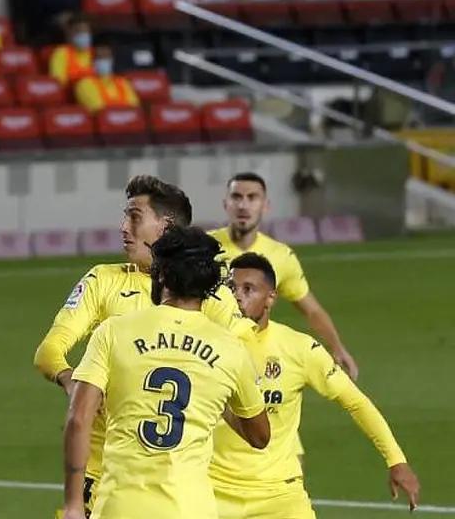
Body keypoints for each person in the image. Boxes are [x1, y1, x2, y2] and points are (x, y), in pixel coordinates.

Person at [33, 175, 255, 517]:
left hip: (173, 476)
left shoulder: (205, 293)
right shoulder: (103, 280)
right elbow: (49, 350)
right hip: (100, 471)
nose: (123, 227)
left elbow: (243, 355)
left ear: (165, 227)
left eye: (134, 217)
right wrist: (70, 380)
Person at [62, 226, 271, 519]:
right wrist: (217, 400)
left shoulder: (113, 332)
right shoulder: (230, 349)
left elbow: (79, 418)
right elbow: (260, 436)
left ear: (160, 274)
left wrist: (73, 505)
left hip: (119, 507)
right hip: (189, 510)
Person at [210, 253, 421, 518]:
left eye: (248, 289)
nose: (237, 296)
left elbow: (355, 402)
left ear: (271, 298)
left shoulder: (299, 349)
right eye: (231, 288)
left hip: (279, 496)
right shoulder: (206, 343)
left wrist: (396, 460)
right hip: (213, 493)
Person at [209, 172, 358, 379]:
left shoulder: (281, 256)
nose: (243, 205)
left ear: (265, 206)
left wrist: (337, 347)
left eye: (252, 198)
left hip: (252, 360)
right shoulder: (203, 247)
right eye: (237, 197)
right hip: (208, 355)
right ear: (226, 204)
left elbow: (312, 310)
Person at [73, 46, 139, 113]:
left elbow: (134, 107)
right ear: (92, 61)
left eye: (107, 58)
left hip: (128, 121)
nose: (104, 61)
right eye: (100, 58)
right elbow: (97, 110)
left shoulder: (123, 82)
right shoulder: (84, 85)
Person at [48, 16, 95, 87]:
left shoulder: (96, 53)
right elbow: (58, 80)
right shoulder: (61, 53)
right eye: (78, 31)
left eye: (85, 31)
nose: (83, 35)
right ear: (69, 34)